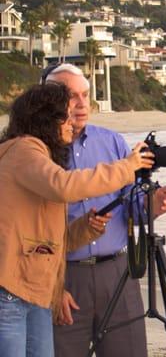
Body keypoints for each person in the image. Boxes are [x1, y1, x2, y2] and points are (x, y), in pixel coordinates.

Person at [0, 83, 153, 357]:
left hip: (32, 291)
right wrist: (128, 166)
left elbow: (47, 240)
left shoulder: (38, 157)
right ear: (47, 119)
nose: (72, 123)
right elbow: (65, 186)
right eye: (66, 116)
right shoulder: (24, 150)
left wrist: (85, 229)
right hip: (10, 293)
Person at [45, 64, 166, 357]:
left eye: (85, 95)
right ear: (48, 100)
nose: (81, 104)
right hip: (64, 277)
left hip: (118, 273)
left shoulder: (112, 141)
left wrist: (150, 204)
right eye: (71, 96)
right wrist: (52, 287)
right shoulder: (38, 152)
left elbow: (130, 202)